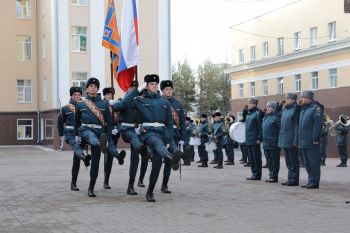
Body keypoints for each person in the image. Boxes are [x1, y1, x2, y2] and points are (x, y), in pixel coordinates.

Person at [126, 74, 182, 202]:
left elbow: (169, 123)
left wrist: (168, 137)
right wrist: (137, 89)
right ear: (147, 86)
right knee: (156, 142)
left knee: (156, 165)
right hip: (147, 133)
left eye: (156, 84)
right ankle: (170, 157)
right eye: (151, 84)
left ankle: (150, 192)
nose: (154, 86)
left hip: (162, 134)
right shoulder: (140, 100)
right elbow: (126, 102)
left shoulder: (164, 102)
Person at [74, 77, 120, 197]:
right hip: (86, 130)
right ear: (87, 88)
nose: (93, 88)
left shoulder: (104, 104)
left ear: (98, 89)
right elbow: (77, 121)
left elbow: (109, 123)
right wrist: (76, 135)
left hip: (100, 133)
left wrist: (109, 137)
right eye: (91, 86)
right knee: (90, 136)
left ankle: (91, 187)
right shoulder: (80, 104)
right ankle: (100, 143)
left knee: (95, 163)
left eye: (95, 86)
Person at [57, 87, 89, 191]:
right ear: (71, 96)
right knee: (76, 146)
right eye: (75, 95)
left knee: (76, 159)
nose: (77, 96)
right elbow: (59, 122)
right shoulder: (65, 108)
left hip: (81, 133)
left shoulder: (84, 106)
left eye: (79, 95)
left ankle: (74, 183)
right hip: (70, 133)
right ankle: (84, 158)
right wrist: (62, 135)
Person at [160, 80, 186, 193]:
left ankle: (164, 185)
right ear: (162, 91)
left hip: (175, 135)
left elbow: (183, 123)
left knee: (168, 161)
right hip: (162, 134)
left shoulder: (178, 104)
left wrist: (183, 139)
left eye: (170, 89)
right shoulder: (159, 102)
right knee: (158, 161)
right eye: (166, 89)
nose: (169, 91)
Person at [297, 90, 323, 189]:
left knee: (313, 162)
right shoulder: (303, 109)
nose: (301, 99)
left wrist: (315, 139)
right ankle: (310, 180)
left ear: (309, 98)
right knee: (307, 163)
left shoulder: (316, 109)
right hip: (303, 140)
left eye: (303, 97)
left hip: (312, 141)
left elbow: (317, 125)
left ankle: (315, 182)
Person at [102, 87, 126, 190]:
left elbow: (122, 120)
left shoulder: (116, 105)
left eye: (111, 94)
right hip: (106, 132)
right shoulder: (102, 105)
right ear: (104, 96)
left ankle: (107, 180)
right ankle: (106, 181)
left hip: (115, 133)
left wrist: (118, 129)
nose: (110, 96)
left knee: (110, 158)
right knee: (108, 157)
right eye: (108, 94)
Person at [278, 93, 300, 186]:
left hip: (291, 140)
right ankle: (290, 178)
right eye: (286, 98)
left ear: (293, 100)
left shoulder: (296, 109)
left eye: (288, 98)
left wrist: (295, 140)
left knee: (294, 161)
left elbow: (296, 126)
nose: (286, 100)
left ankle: (294, 180)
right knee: (288, 162)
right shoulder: (285, 110)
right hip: (284, 139)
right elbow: (276, 115)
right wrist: (279, 106)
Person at [262, 101, 280, 183]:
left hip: (274, 143)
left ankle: (274, 176)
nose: (268, 108)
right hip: (266, 143)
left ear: (274, 108)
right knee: (269, 161)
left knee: (274, 161)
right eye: (267, 106)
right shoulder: (265, 117)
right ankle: (271, 175)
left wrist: (278, 141)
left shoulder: (276, 118)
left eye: (270, 107)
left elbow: (280, 130)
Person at [245, 97, 263, 180]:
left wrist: (259, 138)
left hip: (255, 139)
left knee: (256, 158)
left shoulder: (257, 113)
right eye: (248, 103)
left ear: (254, 104)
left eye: (250, 103)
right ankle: (253, 173)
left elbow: (260, 127)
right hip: (248, 139)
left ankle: (257, 174)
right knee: (251, 158)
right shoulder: (249, 113)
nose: (248, 104)